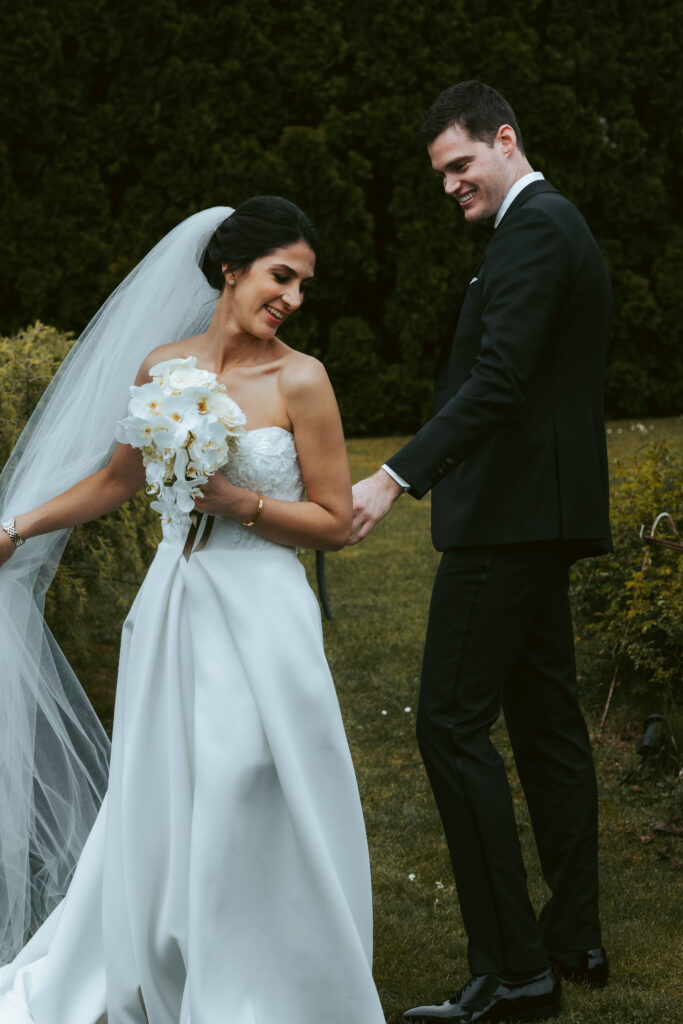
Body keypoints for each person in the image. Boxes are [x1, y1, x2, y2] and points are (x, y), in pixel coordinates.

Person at [0, 197, 386, 1023]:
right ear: (230, 270)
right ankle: (173, 956)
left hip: (265, 612)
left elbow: (331, 525)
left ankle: (268, 982)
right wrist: (17, 525)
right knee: (172, 787)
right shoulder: (163, 367)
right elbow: (115, 480)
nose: (292, 297)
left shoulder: (301, 379)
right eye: (281, 276)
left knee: (250, 778)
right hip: (175, 607)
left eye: (303, 286)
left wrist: (235, 502)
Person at [349, 82, 612, 1023]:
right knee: (543, 720)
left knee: (449, 725)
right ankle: (572, 938)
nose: (451, 185)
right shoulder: (537, 223)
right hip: (532, 514)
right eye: (441, 174)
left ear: (506, 140)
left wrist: (392, 476)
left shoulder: (535, 227)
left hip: (509, 518)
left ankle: (514, 968)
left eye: (461, 165)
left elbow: (498, 381)